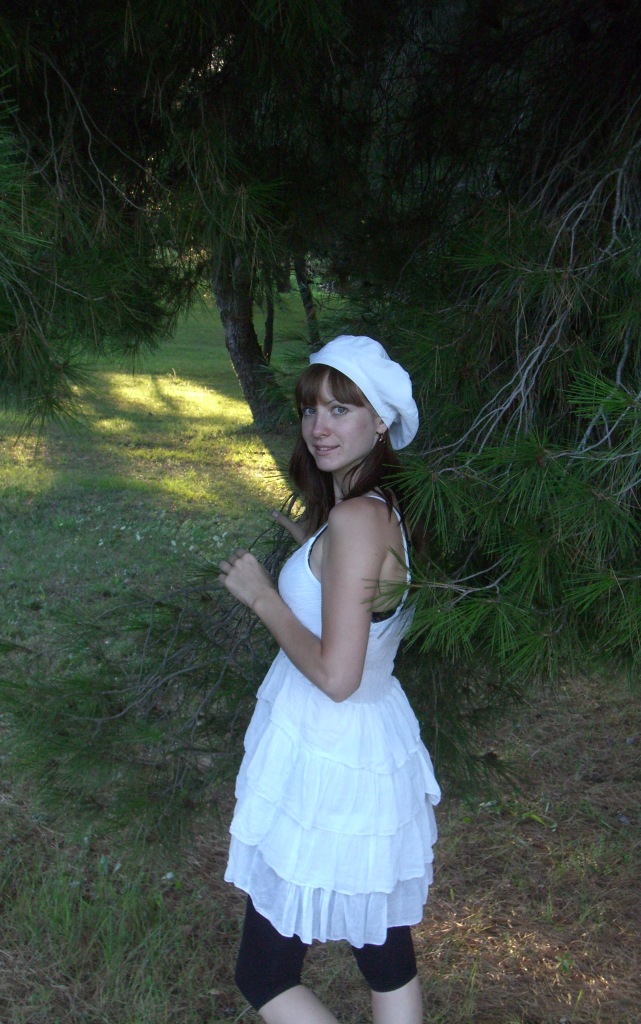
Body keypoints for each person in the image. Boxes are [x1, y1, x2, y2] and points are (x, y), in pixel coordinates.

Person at [219, 335, 441, 1024]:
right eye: (311, 408)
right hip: (365, 745)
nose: (320, 425)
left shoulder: (354, 519)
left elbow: (338, 676)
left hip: (330, 753)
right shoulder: (379, 510)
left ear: (381, 423)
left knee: (264, 975)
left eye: (342, 409)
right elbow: (358, 606)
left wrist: (264, 597)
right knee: (384, 953)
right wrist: (307, 557)